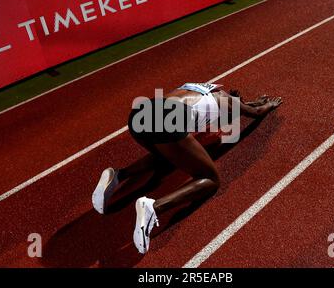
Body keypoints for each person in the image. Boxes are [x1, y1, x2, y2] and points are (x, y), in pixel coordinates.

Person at [92, 83, 282, 253]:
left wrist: (250, 103)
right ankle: (154, 207)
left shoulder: (201, 89)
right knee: (211, 180)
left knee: (167, 157)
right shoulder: (226, 100)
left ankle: (118, 175)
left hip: (140, 113)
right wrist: (265, 105)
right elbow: (255, 112)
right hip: (168, 116)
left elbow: (245, 107)